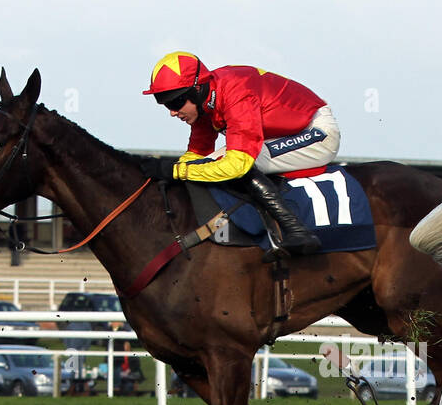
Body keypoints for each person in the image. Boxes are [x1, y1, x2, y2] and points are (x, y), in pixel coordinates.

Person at [139, 50, 341, 255]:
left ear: (197, 90)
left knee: (238, 165)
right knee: (210, 164)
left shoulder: (236, 92)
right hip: (283, 135)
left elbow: (237, 165)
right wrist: (168, 173)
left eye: (175, 103)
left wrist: (176, 171)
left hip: (316, 132)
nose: (172, 112)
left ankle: (297, 232)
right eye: (165, 104)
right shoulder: (206, 102)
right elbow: (197, 156)